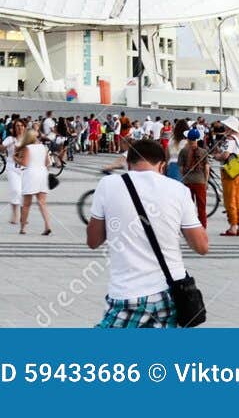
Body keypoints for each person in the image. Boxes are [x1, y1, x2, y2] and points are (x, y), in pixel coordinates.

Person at [86, 138, 208, 327]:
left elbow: (93, 241)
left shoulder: (108, 185)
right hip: (170, 293)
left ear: (128, 164)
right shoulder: (180, 190)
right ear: (162, 165)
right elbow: (202, 246)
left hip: (128, 294)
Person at [16, 127, 52, 235]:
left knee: (27, 204)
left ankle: (23, 228)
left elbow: (25, 163)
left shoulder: (28, 148)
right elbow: (48, 163)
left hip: (31, 175)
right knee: (42, 203)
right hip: (42, 174)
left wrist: (15, 159)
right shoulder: (42, 147)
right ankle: (47, 226)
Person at [215, 117, 239, 235]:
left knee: (229, 199)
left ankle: (233, 226)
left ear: (230, 127)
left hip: (229, 172)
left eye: (226, 126)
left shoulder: (229, 140)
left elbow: (225, 155)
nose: (225, 128)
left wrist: (216, 156)